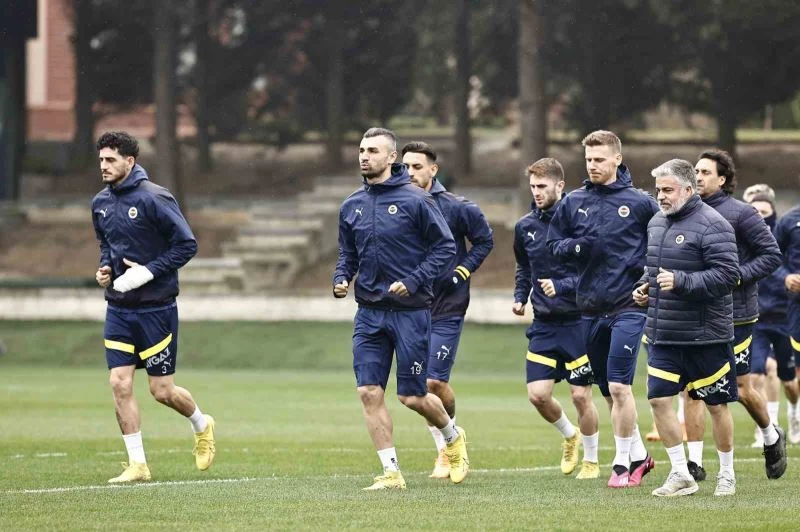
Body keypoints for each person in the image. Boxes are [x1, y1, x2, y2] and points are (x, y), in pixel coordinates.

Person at [333, 127, 468, 490]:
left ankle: (453, 437)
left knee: (412, 396)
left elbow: (445, 248)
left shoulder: (416, 200)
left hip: (410, 312)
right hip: (369, 313)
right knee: (368, 392)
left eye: (373, 150)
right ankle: (391, 473)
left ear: (392, 157)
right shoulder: (351, 205)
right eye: (361, 150)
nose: (365, 156)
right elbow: (347, 253)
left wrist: (413, 280)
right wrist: (342, 277)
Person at [91, 131, 215, 483]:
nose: (104, 166)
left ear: (130, 161)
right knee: (119, 383)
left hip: (156, 310)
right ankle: (138, 465)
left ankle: (201, 423)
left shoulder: (155, 198)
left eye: (111, 159)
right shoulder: (99, 202)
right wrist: (105, 269)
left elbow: (186, 245)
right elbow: (107, 245)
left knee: (162, 391)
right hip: (118, 308)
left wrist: (146, 272)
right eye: (101, 160)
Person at [547, 130, 659, 488]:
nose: (592, 165)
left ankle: (621, 463)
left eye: (599, 159)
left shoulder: (640, 203)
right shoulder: (573, 201)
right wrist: (579, 248)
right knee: (609, 392)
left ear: (617, 160)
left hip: (629, 305)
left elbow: (661, 244)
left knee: (620, 386)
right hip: (590, 308)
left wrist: (646, 277)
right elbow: (554, 246)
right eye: (589, 160)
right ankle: (640, 455)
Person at [636, 158, 740, 497]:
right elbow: (654, 269)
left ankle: (727, 473)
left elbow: (728, 276)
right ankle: (681, 473)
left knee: (716, 405)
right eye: (658, 190)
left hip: (705, 334)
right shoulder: (656, 222)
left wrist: (682, 281)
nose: (661, 196)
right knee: (658, 400)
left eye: (668, 190)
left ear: (688, 189)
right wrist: (644, 288)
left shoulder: (714, 224)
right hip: (664, 333)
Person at [685, 149, 786, 481]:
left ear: (722, 179)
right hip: (696, 313)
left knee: (741, 388)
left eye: (705, 172)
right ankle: (694, 463)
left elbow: (771, 255)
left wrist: (736, 276)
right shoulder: (685, 211)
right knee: (692, 387)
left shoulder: (742, 213)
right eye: (695, 171)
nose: (698, 176)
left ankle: (770, 435)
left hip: (736, 315)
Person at [401, 141, 494, 479]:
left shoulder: (457, 207)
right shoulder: (398, 207)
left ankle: (451, 439)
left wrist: (462, 271)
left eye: (417, 167)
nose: (410, 173)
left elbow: (484, 240)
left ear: (433, 169)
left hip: (448, 306)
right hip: (411, 308)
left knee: (434, 382)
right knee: (417, 388)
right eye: (405, 167)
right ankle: (447, 446)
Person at [513, 158, 600, 479]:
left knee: (580, 395)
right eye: (533, 186)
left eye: (542, 186)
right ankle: (569, 434)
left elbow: (595, 272)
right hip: (544, 324)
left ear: (560, 186)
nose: (536, 192)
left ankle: (591, 460)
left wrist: (561, 285)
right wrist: (520, 296)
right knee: (538, 395)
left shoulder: (579, 222)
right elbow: (525, 267)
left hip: (579, 321)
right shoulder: (525, 227)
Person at [744, 188, 800, 446]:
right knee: (759, 373)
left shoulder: (781, 232)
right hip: (756, 318)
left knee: (789, 382)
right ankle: (769, 429)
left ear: (773, 214)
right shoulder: (741, 238)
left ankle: (794, 414)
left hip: (784, 317)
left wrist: (787, 281)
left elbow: (778, 264)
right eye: (754, 211)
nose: (759, 217)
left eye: (764, 212)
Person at [775, 191, 800, 439]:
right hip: (796, 307)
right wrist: (786, 277)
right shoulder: (789, 221)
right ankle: (796, 414)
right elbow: (772, 258)